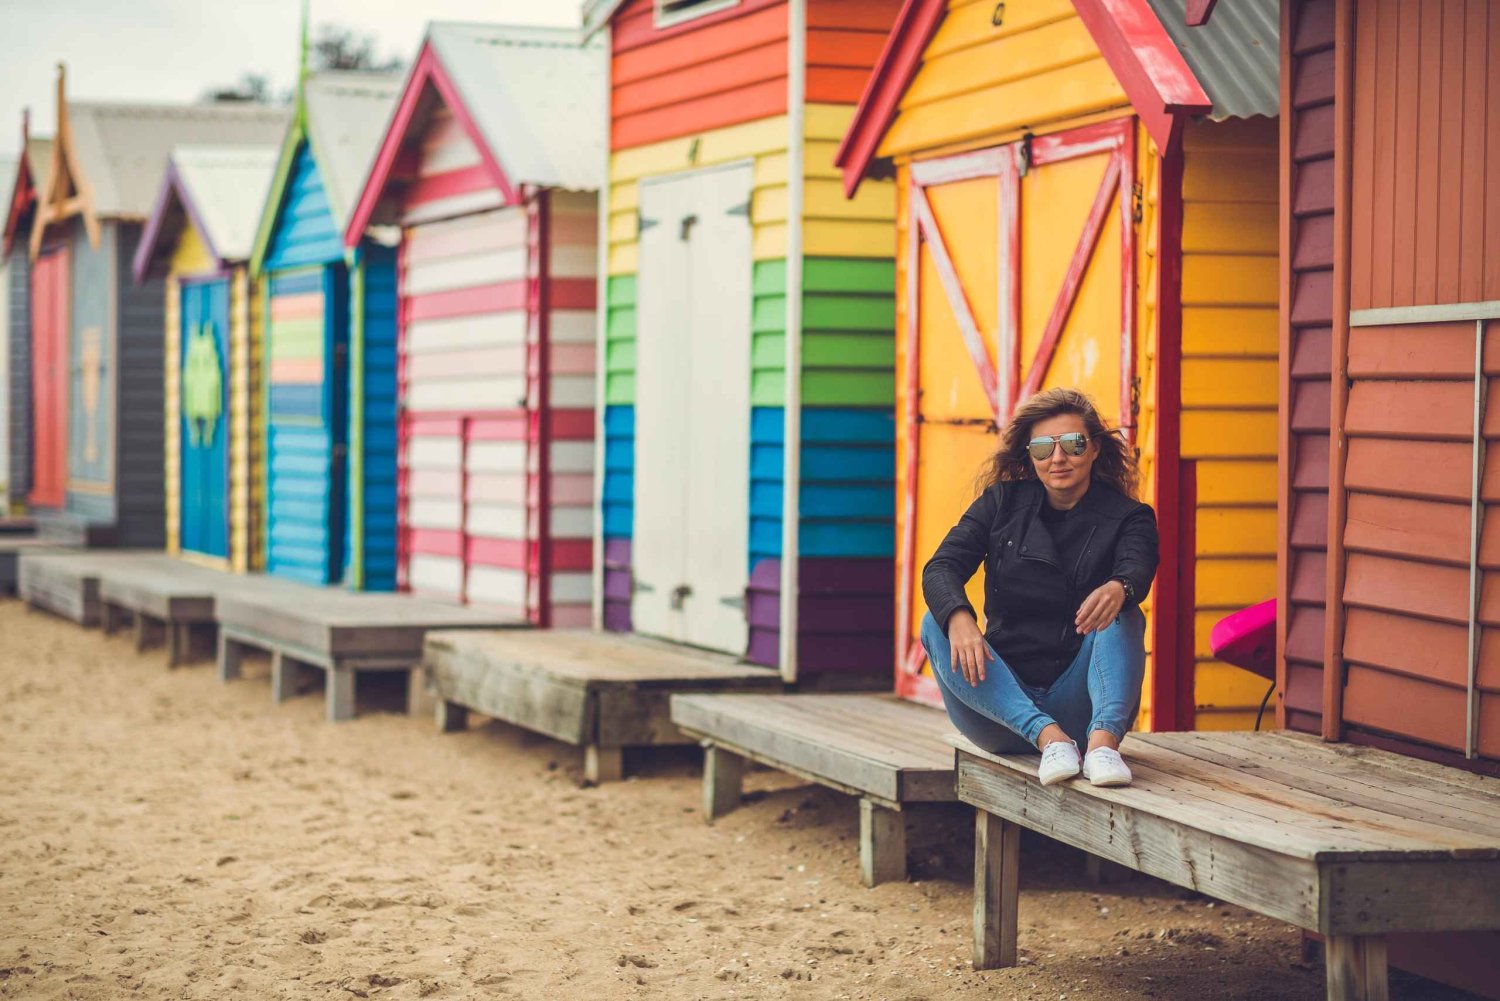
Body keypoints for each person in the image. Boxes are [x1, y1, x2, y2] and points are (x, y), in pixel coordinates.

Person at [919, 387, 1158, 787]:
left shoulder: (1129, 517)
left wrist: (1120, 586)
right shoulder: (1000, 504)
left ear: (1095, 448)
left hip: (1079, 703)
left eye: (1073, 444)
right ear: (1029, 455)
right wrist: (959, 618)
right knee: (935, 622)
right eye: (1044, 447)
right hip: (998, 707)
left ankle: (1102, 749)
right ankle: (1049, 739)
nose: (1058, 458)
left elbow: (1139, 563)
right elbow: (941, 566)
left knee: (1121, 610)